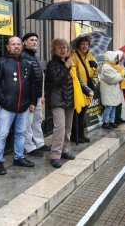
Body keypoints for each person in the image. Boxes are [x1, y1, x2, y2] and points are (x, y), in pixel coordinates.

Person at [0, 36, 37, 175]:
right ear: (8, 47)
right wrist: (4, 101)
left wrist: (32, 102)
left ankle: (18, 157)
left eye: (18, 44)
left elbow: (32, 84)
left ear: (21, 46)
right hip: (6, 107)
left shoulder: (27, 64)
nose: (16, 46)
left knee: (20, 133)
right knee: (2, 135)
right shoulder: (1, 63)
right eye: (13, 44)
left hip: (23, 107)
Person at [45, 38, 93, 168]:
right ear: (54, 49)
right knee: (59, 128)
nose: (63, 50)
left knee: (67, 128)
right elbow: (57, 80)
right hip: (57, 100)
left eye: (65, 47)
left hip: (70, 100)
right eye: (59, 47)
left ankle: (65, 150)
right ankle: (55, 155)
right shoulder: (52, 64)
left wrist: (87, 90)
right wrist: (66, 67)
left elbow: (77, 80)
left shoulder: (70, 63)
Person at [21, 33, 50, 157]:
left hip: (37, 95)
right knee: (27, 123)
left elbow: (39, 77)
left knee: (37, 121)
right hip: (28, 97)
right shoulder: (23, 56)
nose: (34, 42)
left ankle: (39, 143)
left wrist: (41, 95)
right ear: (25, 42)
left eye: (36, 40)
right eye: (31, 40)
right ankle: (29, 147)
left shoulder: (34, 57)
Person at [70, 35, 98, 143]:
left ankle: (81, 134)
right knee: (77, 114)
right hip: (78, 88)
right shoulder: (74, 55)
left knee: (82, 114)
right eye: (83, 44)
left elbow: (93, 73)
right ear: (78, 45)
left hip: (87, 89)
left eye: (86, 44)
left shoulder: (90, 56)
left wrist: (95, 67)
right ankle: (75, 136)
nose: (85, 46)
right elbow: (73, 73)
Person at [100, 51, 125, 129]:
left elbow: (118, 75)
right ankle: (105, 122)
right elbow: (112, 79)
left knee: (113, 106)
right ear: (111, 57)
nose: (117, 60)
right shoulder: (106, 67)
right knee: (109, 107)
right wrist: (121, 75)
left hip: (113, 91)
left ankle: (111, 121)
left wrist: (121, 74)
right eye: (115, 58)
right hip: (108, 91)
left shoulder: (113, 66)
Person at [114, 50, 125, 125]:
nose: (123, 58)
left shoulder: (122, 64)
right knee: (117, 102)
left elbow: (124, 74)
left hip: (122, 85)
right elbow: (120, 74)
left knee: (120, 101)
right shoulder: (114, 64)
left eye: (123, 57)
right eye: (122, 57)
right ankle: (116, 118)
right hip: (116, 85)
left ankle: (119, 117)